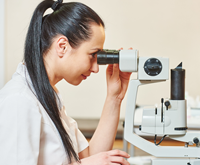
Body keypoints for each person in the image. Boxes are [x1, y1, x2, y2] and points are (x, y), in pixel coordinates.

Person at [0, 0, 131, 164]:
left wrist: (114, 97)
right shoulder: (19, 100)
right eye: (92, 55)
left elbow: (91, 156)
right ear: (62, 46)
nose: (96, 68)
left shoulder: (48, 96)